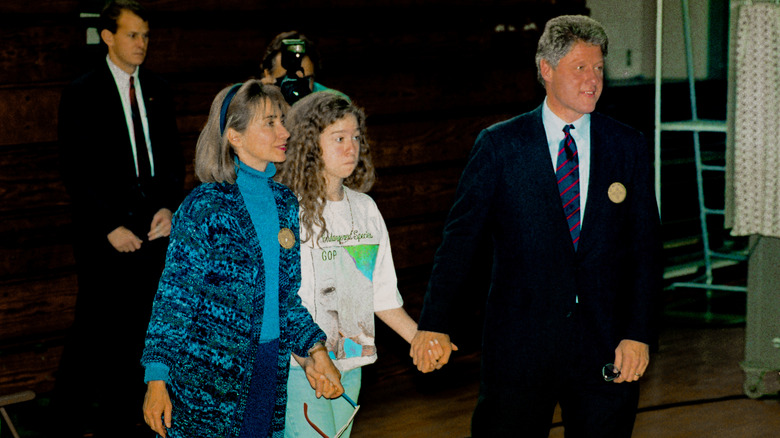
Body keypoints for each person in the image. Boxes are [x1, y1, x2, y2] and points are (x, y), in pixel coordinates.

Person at [410, 15, 662, 437]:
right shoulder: (500, 146)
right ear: (546, 69)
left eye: (598, 68)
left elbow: (646, 249)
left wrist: (638, 333)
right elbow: (460, 244)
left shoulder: (627, 145)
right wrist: (434, 322)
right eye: (580, 68)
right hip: (519, 349)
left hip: (606, 346)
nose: (593, 80)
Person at [140, 81, 344, 438]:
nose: (285, 131)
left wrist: (317, 349)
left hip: (267, 368)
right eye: (271, 123)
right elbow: (174, 299)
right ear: (234, 135)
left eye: (283, 120)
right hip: (205, 379)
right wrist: (157, 379)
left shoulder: (284, 203)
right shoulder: (204, 206)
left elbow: (284, 299)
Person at [55, 0, 184, 435]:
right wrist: (108, 226)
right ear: (108, 37)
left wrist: (169, 206)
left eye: (146, 35)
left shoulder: (158, 88)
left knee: (149, 329)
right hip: (106, 233)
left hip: (153, 228)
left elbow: (171, 159)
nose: (141, 44)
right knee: (101, 332)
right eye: (132, 35)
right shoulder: (82, 91)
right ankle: (83, 421)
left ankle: (145, 417)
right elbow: (77, 168)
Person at [275, 91, 433, 438]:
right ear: (310, 145)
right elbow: (277, 301)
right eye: (339, 138)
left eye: (356, 138)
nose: (351, 148)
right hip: (303, 369)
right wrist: (309, 361)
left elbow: (380, 294)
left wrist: (418, 338)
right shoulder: (288, 212)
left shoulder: (365, 210)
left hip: (351, 364)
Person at [259, 30, 347, 104]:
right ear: (268, 75)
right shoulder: (256, 102)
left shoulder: (335, 103)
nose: (297, 88)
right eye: (289, 78)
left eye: (306, 79)